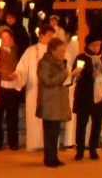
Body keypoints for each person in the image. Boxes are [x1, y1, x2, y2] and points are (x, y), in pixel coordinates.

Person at [13, 24, 56, 151]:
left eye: (52, 36)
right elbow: (22, 67)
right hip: (34, 89)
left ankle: (50, 145)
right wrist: (17, 74)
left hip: (50, 90)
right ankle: (35, 144)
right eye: (49, 36)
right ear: (41, 35)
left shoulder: (55, 50)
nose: (51, 38)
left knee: (50, 117)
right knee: (34, 116)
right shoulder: (31, 51)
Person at [71, 35, 102, 160]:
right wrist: (89, 75)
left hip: (99, 96)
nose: (96, 47)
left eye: (99, 44)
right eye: (94, 45)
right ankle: (80, 149)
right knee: (81, 124)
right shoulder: (81, 57)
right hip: (84, 96)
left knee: (97, 124)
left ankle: (93, 148)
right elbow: (76, 75)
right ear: (88, 45)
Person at [37, 37, 75, 168]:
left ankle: (54, 156)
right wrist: (65, 73)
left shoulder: (60, 62)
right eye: (60, 51)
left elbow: (64, 81)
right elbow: (48, 81)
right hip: (49, 102)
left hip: (58, 101)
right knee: (50, 132)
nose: (63, 53)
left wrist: (73, 76)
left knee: (56, 131)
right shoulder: (44, 63)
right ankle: (49, 158)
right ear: (52, 50)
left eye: (64, 51)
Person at [0, 28, 20, 150]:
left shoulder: (17, 50)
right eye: (3, 38)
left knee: (13, 116)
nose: (5, 40)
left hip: (13, 86)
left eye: (7, 38)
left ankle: (13, 142)